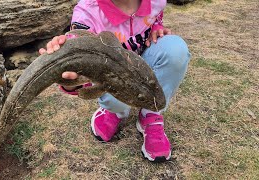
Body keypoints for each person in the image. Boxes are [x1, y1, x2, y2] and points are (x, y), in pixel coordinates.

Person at [39, 0, 191, 162]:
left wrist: (156, 26)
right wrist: (69, 75)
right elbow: (76, 41)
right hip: (112, 75)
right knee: (113, 94)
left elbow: (157, 14)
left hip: (144, 63)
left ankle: (151, 114)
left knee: (176, 50)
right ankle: (114, 111)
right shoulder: (87, 13)